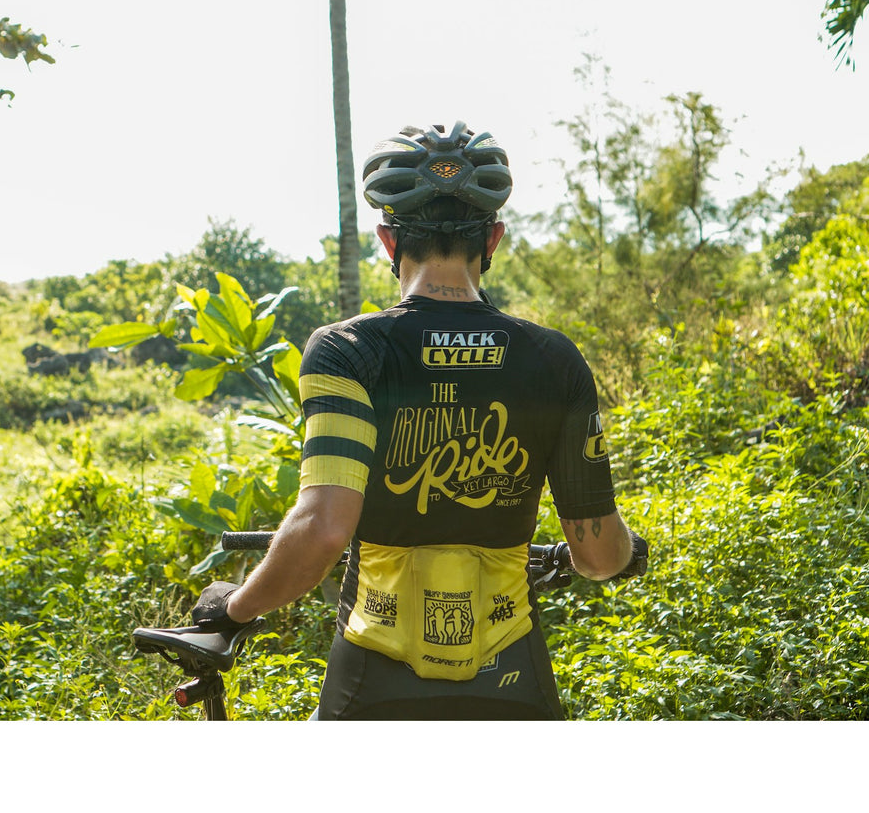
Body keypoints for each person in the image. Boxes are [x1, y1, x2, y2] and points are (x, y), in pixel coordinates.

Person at [192, 121, 647, 720]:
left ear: (387, 240)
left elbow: (326, 529)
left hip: (373, 672)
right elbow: (596, 556)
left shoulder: (347, 351)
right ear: (493, 238)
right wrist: (630, 549)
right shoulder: (551, 359)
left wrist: (233, 608)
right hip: (511, 673)